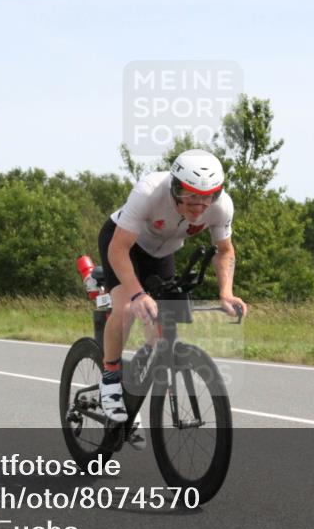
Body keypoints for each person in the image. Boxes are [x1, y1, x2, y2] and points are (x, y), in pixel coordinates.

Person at [98, 149, 248, 446]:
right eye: (190, 195)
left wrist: (226, 293)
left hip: (163, 252)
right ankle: (111, 378)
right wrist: (138, 293)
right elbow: (118, 249)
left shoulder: (221, 207)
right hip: (124, 245)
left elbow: (225, 251)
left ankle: (139, 379)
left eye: (208, 196)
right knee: (127, 307)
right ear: (174, 187)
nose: (199, 205)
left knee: (164, 319)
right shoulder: (149, 192)